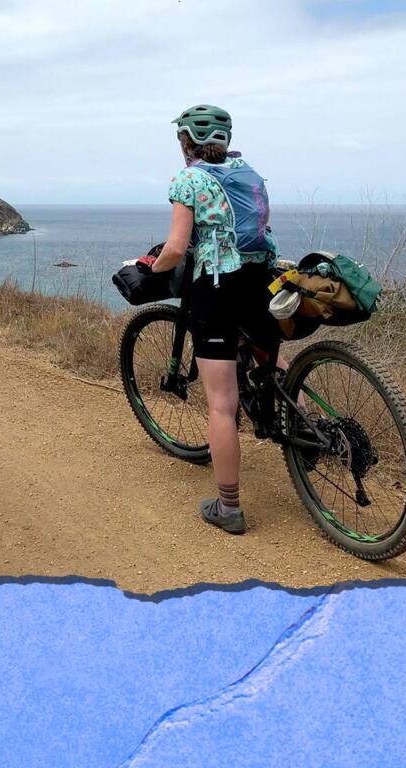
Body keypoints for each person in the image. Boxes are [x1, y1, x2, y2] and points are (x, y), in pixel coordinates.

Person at [147, 105, 284, 535]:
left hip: (218, 287)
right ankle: (306, 434)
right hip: (264, 279)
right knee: (272, 363)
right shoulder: (249, 173)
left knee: (221, 404)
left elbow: (175, 248)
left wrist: (150, 268)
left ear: (186, 141)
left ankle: (228, 508)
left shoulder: (188, 180)